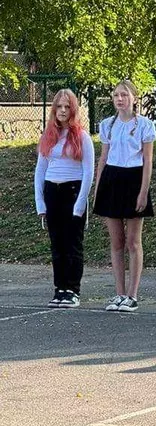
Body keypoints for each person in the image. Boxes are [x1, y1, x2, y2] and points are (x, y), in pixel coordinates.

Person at [93, 80, 156, 313]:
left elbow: (147, 160)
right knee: (116, 241)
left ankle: (132, 295)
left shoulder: (145, 125)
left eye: (124, 95)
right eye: (116, 95)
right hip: (112, 179)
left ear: (134, 98)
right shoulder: (107, 125)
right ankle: (119, 293)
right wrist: (98, 188)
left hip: (134, 179)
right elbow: (103, 157)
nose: (120, 99)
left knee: (133, 241)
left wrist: (143, 192)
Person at [34, 89, 95, 308]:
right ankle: (59, 288)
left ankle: (72, 290)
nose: (62, 111)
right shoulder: (48, 136)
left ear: (73, 110)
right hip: (53, 191)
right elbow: (40, 170)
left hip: (73, 190)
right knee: (57, 244)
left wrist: (80, 203)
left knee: (72, 244)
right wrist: (40, 202)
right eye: (58, 107)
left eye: (67, 107)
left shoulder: (82, 136)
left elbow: (88, 171)